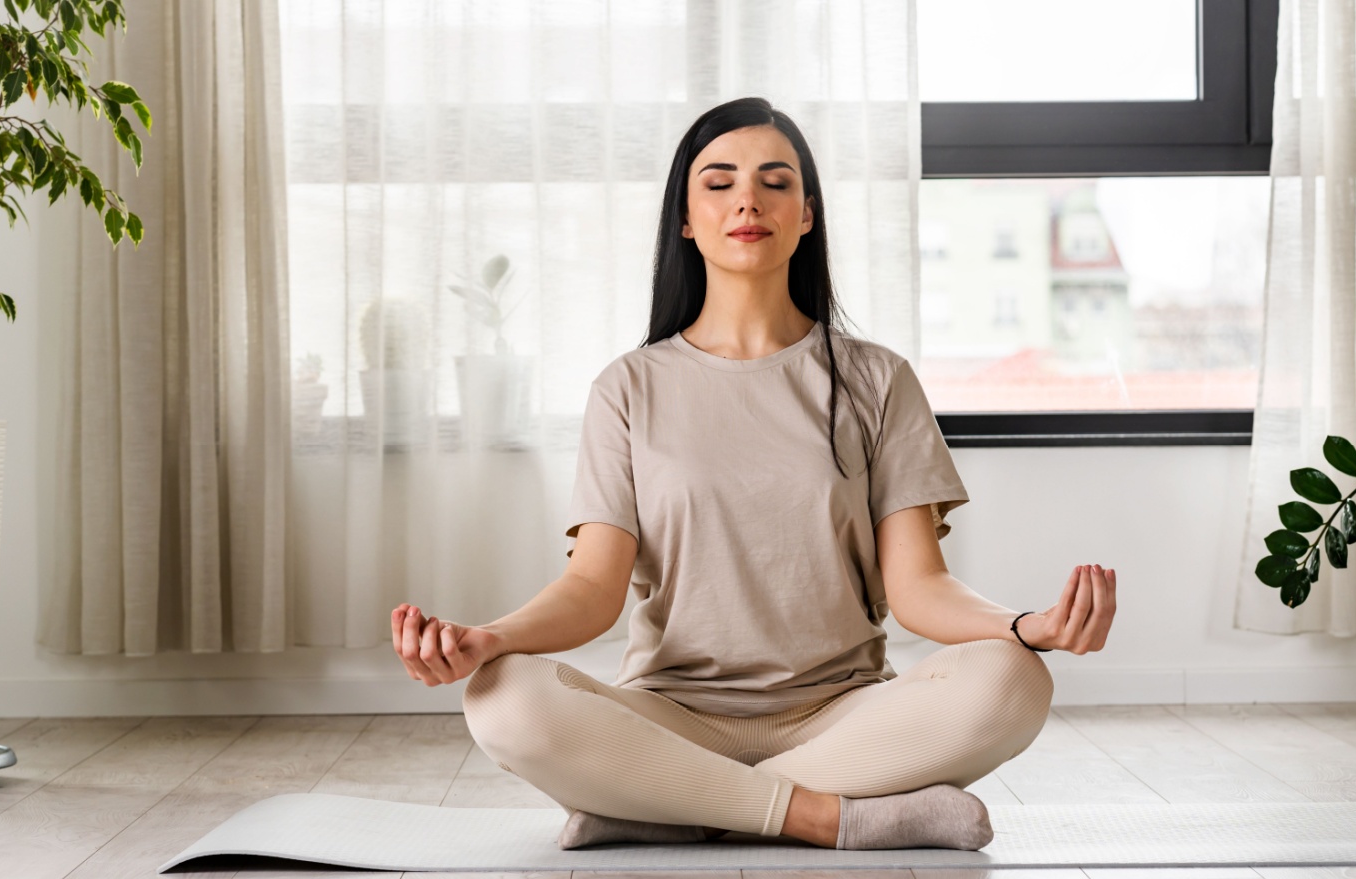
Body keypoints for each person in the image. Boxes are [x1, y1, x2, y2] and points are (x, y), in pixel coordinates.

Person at [390, 96, 1118, 852]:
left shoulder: (877, 379)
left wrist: (1025, 627)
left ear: (807, 214)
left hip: (843, 714)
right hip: (671, 713)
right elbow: (590, 590)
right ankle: (829, 816)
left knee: (1017, 679)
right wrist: (486, 639)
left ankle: (663, 804)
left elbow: (918, 589)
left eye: (776, 181)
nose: (748, 199)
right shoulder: (628, 387)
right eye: (719, 181)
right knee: (502, 695)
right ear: (684, 217)